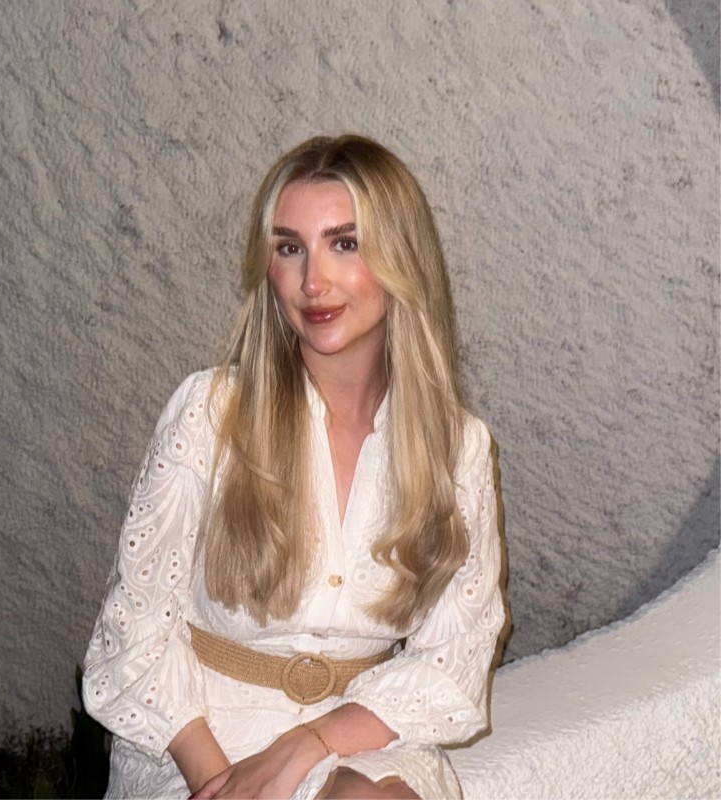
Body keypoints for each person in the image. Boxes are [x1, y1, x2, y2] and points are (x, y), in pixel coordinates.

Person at [83, 134, 505, 799]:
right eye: (289, 248)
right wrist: (222, 781)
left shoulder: (457, 450)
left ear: (401, 259)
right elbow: (131, 636)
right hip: (195, 739)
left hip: (360, 736)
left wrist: (307, 743)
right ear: (268, 268)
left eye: (345, 243)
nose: (314, 281)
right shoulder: (210, 415)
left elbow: (454, 660)